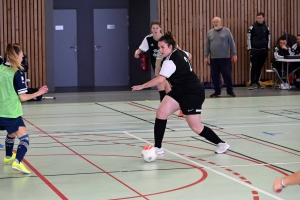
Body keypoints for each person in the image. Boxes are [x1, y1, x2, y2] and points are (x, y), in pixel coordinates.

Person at [132, 31, 230, 155]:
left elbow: (160, 79)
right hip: (179, 90)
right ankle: (158, 147)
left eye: (162, 47)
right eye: (159, 48)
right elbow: (189, 55)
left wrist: (143, 86)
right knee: (161, 112)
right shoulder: (180, 52)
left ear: (170, 47)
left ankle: (222, 143)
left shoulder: (169, 61)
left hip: (192, 93)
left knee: (196, 127)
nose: (160, 50)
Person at [0, 44, 48, 174]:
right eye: (21, 56)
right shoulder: (17, 73)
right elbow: (22, 97)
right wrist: (38, 93)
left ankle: (8, 157)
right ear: (16, 57)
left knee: (11, 133)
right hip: (11, 113)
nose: (22, 58)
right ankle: (18, 162)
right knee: (25, 139)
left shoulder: (0, 68)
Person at [134, 20, 171, 102]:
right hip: (156, 64)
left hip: (166, 64)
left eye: (157, 28)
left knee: (160, 83)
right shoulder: (148, 39)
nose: (155, 30)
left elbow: (175, 48)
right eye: (153, 28)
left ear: (160, 28)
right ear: (151, 29)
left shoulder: (166, 39)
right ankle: (176, 103)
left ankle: (164, 104)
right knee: (166, 86)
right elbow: (141, 48)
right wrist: (137, 52)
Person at [204, 17, 237, 98]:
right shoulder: (209, 33)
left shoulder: (227, 31)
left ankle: (230, 90)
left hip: (225, 58)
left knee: (227, 74)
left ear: (220, 22)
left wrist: (234, 54)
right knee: (214, 75)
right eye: (214, 22)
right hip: (214, 58)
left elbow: (232, 43)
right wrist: (206, 56)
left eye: (217, 21)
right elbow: (207, 45)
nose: (215, 23)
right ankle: (217, 91)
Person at [247, 12, 271, 90]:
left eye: (260, 18)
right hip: (254, 50)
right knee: (253, 66)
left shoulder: (266, 27)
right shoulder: (252, 27)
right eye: (258, 18)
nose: (259, 19)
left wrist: (268, 48)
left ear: (263, 18)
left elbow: (269, 38)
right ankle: (251, 83)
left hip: (263, 50)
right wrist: (249, 48)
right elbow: (248, 38)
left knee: (260, 67)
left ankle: (257, 82)